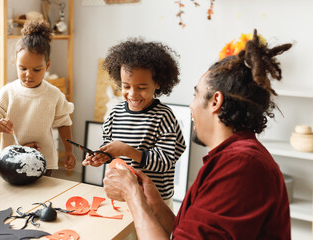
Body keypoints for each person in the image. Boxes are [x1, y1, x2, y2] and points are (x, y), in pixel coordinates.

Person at [103, 30, 292, 239]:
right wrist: (153, 201)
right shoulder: (229, 158)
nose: (191, 105)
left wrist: (133, 195)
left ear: (215, 101)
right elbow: (183, 232)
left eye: (196, 94)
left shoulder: (241, 166)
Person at [82, 38, 187, 210]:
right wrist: (101, 156)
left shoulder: (163, 117)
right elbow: (110, 149)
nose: (133, 94)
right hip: (123, 196)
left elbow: (165, 161)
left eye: (142, 87)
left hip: (154, 200)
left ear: (158, 83)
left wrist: (127, 150)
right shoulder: (114, 114)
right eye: (126, 86)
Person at [0, 20, 76, 174]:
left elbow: (64, 122)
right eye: (22, 68)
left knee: (42, 196)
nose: (28, 75)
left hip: (44, 162)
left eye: (37, 69)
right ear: (15, 63)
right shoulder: (8, 92)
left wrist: (69, 150)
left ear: (47, 65)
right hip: (12, 161)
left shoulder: (53, 94)